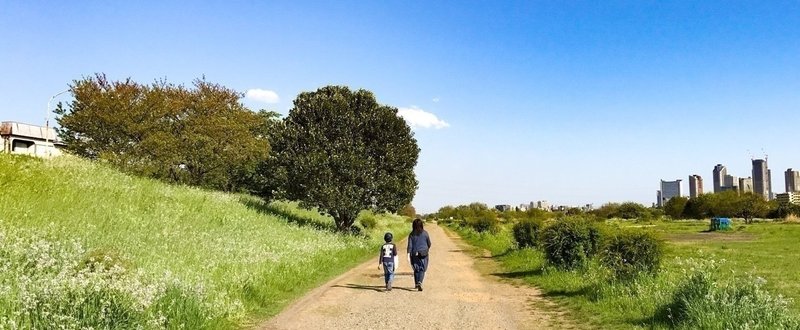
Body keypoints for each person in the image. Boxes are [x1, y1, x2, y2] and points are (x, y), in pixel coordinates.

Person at [407, 218, 431, 291]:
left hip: (414, 253)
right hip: (424, 253)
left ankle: (416, 283)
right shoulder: (425, 233)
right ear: (421, 225)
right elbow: (429, 244)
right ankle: (420, 282)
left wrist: (408, 254)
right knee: (422, 269)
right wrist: (426, 249)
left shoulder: (411, 234)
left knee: (416, 269)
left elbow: (410, 246)